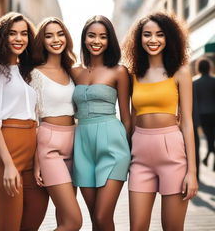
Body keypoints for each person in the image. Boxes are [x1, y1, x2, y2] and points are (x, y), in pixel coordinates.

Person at [122, 12, 198, 231]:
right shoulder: (133, 74)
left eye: (159, 35)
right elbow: (133, 117)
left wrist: (191, 172)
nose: (153, 40)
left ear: (169, 38)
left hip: (172, 154)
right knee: (137, 228)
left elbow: (187, 123)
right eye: (147, 35)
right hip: (140, 156)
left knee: (172, 228)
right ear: (139, 39)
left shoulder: (181, 72)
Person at [0, 12, 48, 231]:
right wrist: (8, 164)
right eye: (12, 33)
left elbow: (36, 117)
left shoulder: (28, 72)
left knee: (33, 222)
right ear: (1, 37)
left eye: (24, 33)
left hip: (32, 153)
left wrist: (38, 157)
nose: (19, 38)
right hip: (9, 154)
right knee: (9, 226)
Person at [71, 15, 131, 231]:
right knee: (95, 219)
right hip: (82, 146)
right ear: (84, 38)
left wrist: (128, 150)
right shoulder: (74, 71)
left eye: (103, 37)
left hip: (113, 146)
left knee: (103, 216)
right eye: (92, 35)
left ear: (110, 41)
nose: (97, 41)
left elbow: (126, 116)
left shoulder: (119, 71)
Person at [29, 17, 82, 231]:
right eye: (49, 35)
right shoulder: (34, 73)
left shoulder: (73, 71)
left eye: (60, 34)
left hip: (75, 143)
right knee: (74, 222)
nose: (55, 39)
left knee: (64, 220)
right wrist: (37, 158)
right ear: (42, 41)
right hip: (49, 145)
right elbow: (32, 119)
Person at [193, 59, 215, 171]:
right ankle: (207, 158)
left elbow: (194, 102)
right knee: (211, 139)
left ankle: (206, 158)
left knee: (209, 139)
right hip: (213, 114)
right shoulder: (213, 81)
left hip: (202, 115)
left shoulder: (194, 82)